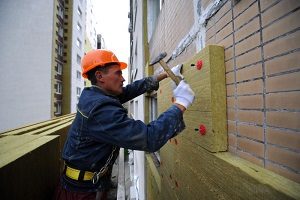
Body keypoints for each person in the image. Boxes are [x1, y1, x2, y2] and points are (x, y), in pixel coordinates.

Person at [53, 49, 195, 200]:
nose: (123, 79)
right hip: (80, 193)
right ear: (100, 76)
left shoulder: (95, 95)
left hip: (89, 183)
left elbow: (128, 91)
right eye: (118, 73)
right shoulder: (99, 110)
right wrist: (181, 103)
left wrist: (165, 74)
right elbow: (149, 138)